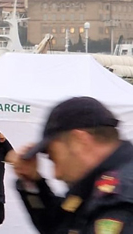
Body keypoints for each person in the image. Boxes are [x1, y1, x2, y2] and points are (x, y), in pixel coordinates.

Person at [15, 96, 133, 233]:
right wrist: (32, 181)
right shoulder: (95, 186)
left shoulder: (119, 201)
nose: (56, 174)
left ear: (78, 141)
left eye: (54, 157)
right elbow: (60, 225)